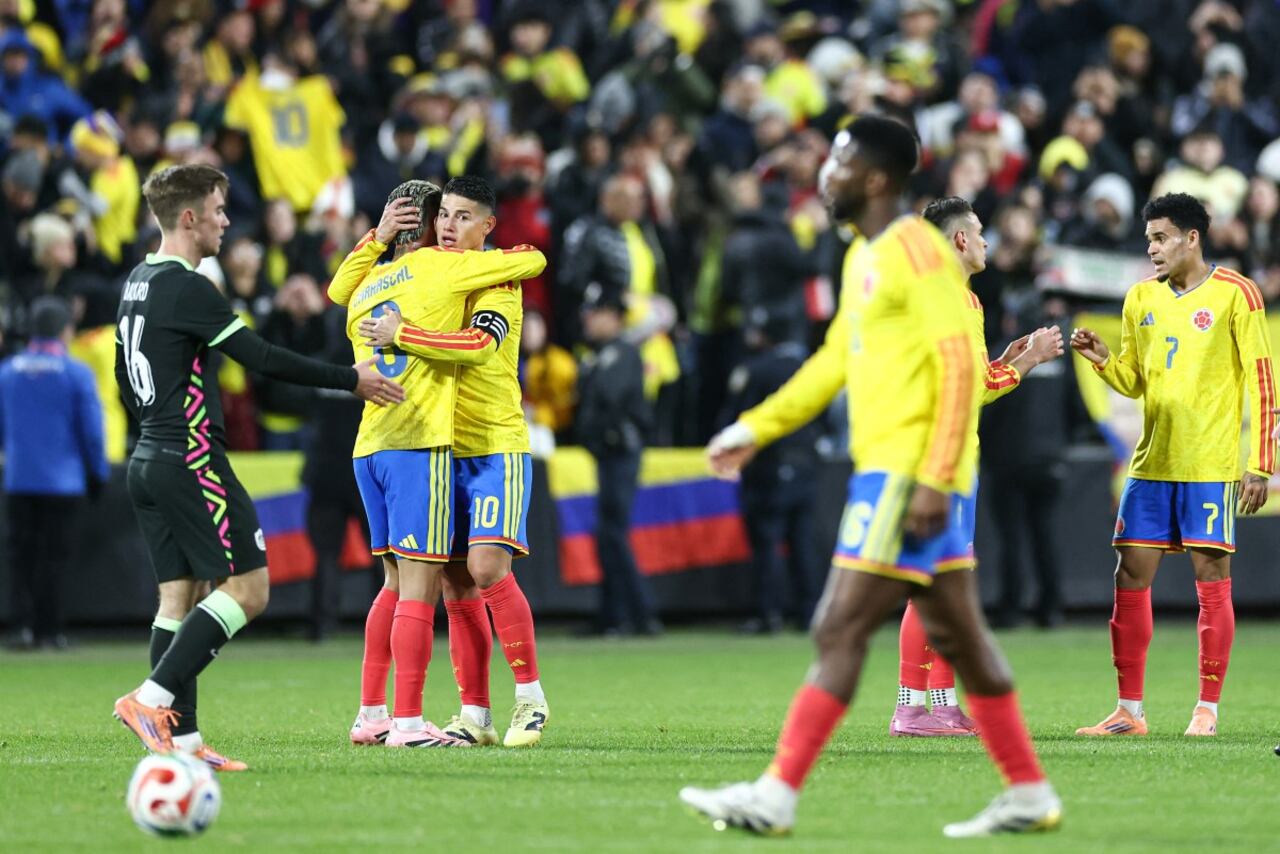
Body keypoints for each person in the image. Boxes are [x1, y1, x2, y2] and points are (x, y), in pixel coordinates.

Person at [680, 118, 1061, 838]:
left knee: (838, 625)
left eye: (840, 161)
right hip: (897, 471)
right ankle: (1029, 792)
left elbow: (958, 370)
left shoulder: (918, 254)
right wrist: (753, 428)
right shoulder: (866, 255)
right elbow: (833, 359)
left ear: (876, 178)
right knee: (966, 640)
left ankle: (774, 795)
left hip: (908, 473)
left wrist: (932, 477)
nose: (826, 173)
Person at [110, 164, 406, 770]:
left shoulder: (138, 281)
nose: (226, 221)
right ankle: (151, 698)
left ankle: (184, 743)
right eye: (218, 210)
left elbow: (123, 378)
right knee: (249, 588)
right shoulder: (189, 288)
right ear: (188, 217)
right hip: (189, 457)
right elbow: (261, 357)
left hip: (147, 456)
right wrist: (351, 379)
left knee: (179, 598)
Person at [326, 179, 547, 749]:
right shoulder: (427, 273)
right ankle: (475, 714)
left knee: (487, 568)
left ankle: (530, 698)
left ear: (487, 226)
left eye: (463, 216)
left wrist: (404, 333)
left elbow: (480, 346)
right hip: (437, 445)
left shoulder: (497, 277)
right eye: (443, 215)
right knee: (452, 584)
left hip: (493, 442)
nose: (449, 226)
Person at [1071, 193, 1275, 738]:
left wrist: (1260, 464)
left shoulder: (1237, 294)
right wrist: (1102, 361)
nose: (1152, 249)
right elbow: (1135, 380)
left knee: (1212, 580)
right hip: (1151, 463)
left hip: (1209, 464)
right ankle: (1128, 712)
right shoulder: (1140, 298)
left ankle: (1206, 708)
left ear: (1192, 238)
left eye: (1161, 238)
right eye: (1148, 240)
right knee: (1129, 575)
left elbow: (1262, 381)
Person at [890, 196, 1063, 738]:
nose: (988, 242)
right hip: (938, 459)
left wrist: (1007, 359)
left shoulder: (942, 295)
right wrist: (1027, 363)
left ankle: (938, 704)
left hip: (941, 453)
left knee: (946, 584)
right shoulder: (951, 299)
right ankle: (910, 708)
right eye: (981, 232)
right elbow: (969, 390)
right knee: (935, 584)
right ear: (960, 241)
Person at [0, 296, 109, 650]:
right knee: (54, 558)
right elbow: (91, 432)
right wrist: (98, 473)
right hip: (64, 481)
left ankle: (21, 627)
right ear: (65, 330)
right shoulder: (76, 373)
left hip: (19, 478)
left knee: (21, 557)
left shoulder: (8, 371)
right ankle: (50, 630)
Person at [717, 309, 821, 634]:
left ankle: (768, 613)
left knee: (767, 543)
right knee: (803, 542)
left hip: (768, 467)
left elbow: (736, 416)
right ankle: (810, 613)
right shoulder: (810, 368)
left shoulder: (756, 369)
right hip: (807, 463)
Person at [576, 283, 659, 637]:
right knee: (607, 534)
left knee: (614, 533)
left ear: (614, 317)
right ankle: (612, 615)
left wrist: (592, 427)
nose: (590, 320)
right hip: (608, 452)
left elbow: (609, 399)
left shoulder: (623, 353)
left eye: (597, 313)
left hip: (621, 451)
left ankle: (638, 616)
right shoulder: (601, 354)